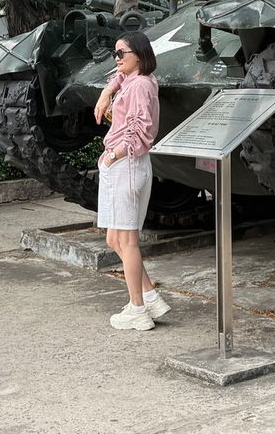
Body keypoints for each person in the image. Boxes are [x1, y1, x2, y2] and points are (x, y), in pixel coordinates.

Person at [91, 29, 167, 331]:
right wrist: (106, 91)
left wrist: (115, 155)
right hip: (123, 165)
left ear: (140, 55)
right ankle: (150, 297)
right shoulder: (136, 80)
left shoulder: (140, 87)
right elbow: (121, 78)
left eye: (122, 53)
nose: (116, 58)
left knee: (127, 240)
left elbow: (142, 129)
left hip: (127, 164)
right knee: (114, 238)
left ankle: (137, 309)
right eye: (115, 52)